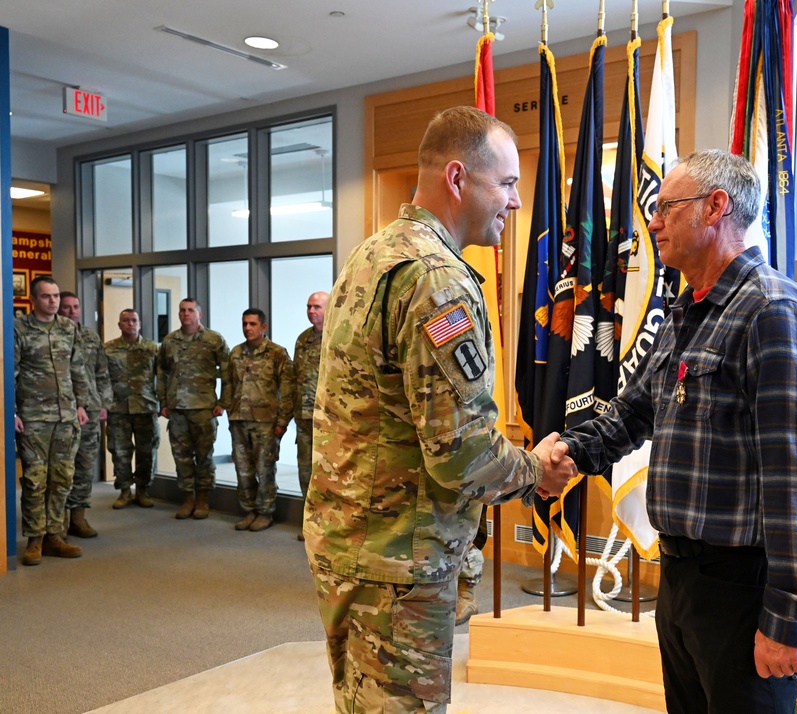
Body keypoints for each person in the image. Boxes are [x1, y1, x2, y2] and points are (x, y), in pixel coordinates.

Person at [304, 106, 576, 712]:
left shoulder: (374, 253)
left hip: (354, 543)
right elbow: (463, 453)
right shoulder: (436, 279)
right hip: (398, 559)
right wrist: (536, 470)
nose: (514, 202)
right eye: (505, 184)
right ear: (457, 178)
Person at [554, 150, 797, 714]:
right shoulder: (688, 308)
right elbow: (634, 412)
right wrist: (565, 451)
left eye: (665, 208)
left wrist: (786, 619)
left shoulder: (771, 311)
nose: (653, 222)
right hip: (683, 578)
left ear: (716, 208)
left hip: (743, 588)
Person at [13, 276, 90, 565]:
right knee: (35, 480)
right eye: (47, 296)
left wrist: (82, 404)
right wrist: (11, 412)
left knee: (62, 478)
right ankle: (34, 539)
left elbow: (78, 368)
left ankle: (54, 535)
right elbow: (11, 372)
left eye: (56, 296)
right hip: (33, 418)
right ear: (33, 300)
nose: (54, 301)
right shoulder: (19, 328)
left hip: (66, 416)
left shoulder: (68, 328)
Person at [157, 298, 230, 520]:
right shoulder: (170, 341)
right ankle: (188, 498)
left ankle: (203, 499)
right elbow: (162, 372)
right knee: (181, 456)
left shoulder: (213, 339)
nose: (186, 314)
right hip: (177, 409)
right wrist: (163, 402)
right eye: (182, 311)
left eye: (190, 310)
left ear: (200, 314)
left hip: (204, 408)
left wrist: (223, 403)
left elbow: (228, 372)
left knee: (204, 457)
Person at [222, 308, 294, 532]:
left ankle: (265, 512)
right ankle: (249, 510)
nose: (247, 328)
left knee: (265, 470)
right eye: (244, 324)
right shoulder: (235, 353)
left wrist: (283, 421)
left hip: (266, 422)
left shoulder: (277, 353)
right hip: (239, 421)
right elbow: (228, 385)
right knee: (243, 469)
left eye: (252, 324)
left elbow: (288, 389)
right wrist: (228, 411)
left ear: (263, 327)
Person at [57, 291, 112, 538]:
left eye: (75, 307)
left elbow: (102, 371)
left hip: (89, 409)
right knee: (61, 467)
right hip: (60, 410)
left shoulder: (90, 336)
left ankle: (78, 518)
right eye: (66, 307)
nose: (71, 311)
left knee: (84, 465)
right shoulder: (53, 335)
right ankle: (58, 522)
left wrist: (104, 403)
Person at [104, 308, 160, 509]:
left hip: (145, 407)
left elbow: (162, 376)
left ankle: (143, 490)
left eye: (134, 320)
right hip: (118, 408)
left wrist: (163, 402)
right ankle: (125, 491)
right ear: (119, 324)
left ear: (140, 324)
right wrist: (104, 404)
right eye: (125, 320)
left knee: (147, 451)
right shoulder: (108, 349)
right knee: (120, 451)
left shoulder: (152, 348)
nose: (130, 324)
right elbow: (102, 379)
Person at [292, 291, 328, 539]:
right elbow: (296, 377)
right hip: (304, 417)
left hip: (328, 420)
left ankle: (328, 524)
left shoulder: (337, 336)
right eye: (308, 307)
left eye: (316, 307)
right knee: (305, 470)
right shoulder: (302, 339)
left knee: (328, 473)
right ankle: (310, 521)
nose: (311, 311)